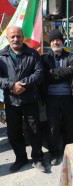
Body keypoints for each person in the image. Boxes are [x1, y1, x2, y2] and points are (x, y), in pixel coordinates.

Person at [0, 26, 46, 173]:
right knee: (14, 133)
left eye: (18, 36)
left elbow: (39, 73)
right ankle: (21, 158)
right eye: (12, 37)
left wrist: (23, 84)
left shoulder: (32, 54)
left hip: (29, 99)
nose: (15, 39)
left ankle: (38, 159)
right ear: (7, 38)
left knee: (34, 131)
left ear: (22, 37)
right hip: (11, 101)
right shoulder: (1, 56)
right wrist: (12, 85)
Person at [41, 29, 73, 166]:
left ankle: (68, 151)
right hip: (51, 98)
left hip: (68, 97)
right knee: (52, 127)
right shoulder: (44, 58)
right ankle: (54, 153)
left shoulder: (71, 56)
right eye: (53, 40)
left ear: (62, 41)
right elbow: (45, 75)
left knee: (69, 125)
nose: (56, 42)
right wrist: (63, 73)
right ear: (50, 43)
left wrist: (53, 74)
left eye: (58, 40)